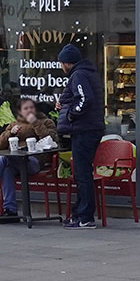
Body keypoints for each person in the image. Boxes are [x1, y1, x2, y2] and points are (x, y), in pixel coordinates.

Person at [0, 97, 55, 217]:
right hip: (16, 161)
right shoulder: (14, 124)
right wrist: (10, 133)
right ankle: (10, 210)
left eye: (31, 108)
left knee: (4, 158)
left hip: (34, 162)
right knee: (6, 169)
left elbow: (52, 139)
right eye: (25, 108)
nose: (29, 111)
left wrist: (36, 123)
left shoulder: (46, 122)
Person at [56, 44, 104, 229]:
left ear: (67, 62)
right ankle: (81, 214)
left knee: (82, 174)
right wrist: (65, 105)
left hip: (84, 130)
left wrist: (70, 114)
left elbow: (85, 99)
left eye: (61, 63)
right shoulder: (87, 73)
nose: (61, 66)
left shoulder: (78, 75)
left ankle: (85, 216)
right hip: (90, 128)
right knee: (83, 172)